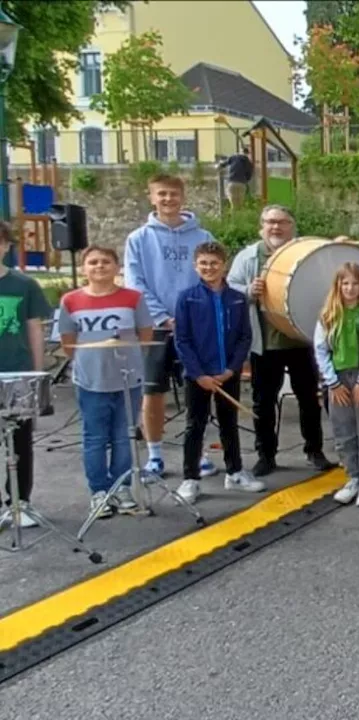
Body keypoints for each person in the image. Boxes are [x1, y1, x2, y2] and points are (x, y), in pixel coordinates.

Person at [227, 205, 334, 476]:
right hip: (265, 343)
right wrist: (248, 290)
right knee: (264, 402)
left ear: (292, 226)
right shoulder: (248, 256)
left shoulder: (306, 251)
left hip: (302, 341)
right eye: (270, 222)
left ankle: (314, 450)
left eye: (282, 222)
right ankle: (266, 455)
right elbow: (229, 288)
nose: (276, 227)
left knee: (309, 399)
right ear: (261, 226)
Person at [123, 173, 215, 479]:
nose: (168, 199)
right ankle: (155, 456)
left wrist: (191, 316)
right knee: (154, 392)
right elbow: (135, 284)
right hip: (156, 327)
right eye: (161, 194)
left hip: (195, 327)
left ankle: (199, 454)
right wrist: (163, 317)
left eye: (173, 194)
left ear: (182, 197)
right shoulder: (138, 239)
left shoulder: (204, 238)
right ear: (152, 197)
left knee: (197, 392)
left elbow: (211, 278)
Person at [58, 246, 153, 517]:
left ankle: (121, 489)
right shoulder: (71, 301)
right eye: (93, 262)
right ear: (84, 267)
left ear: (116, 266)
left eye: (106, 262)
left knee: (125, 436)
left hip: (127, 380)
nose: (100, 267)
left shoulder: (133, 298)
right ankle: (99, 492)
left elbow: (145, 334)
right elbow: (68, 343)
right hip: (91, 381)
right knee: (95, 438)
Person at [172, 242, 261, 503]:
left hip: (226, 374)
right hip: (197, 376)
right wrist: (199, 374)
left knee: (229, 424)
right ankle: (190, 478)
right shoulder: (187, 297)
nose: (209, 268)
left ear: (224, 265)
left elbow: (245, 336)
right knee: (194, 425)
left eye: (214, 263)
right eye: (203, 263)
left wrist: (231, 369)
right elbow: (183, 339)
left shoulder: (237, 298)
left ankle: (234, 472)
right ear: (195, 266)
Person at [314, 263, 359, 507]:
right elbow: (320, 350)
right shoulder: (329, 314)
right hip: (338, 378)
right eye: (345, 284)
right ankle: (352, 476)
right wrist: (332, 381)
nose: (350, 288)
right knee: (343, 430)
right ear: (338, 286)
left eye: (355, 283)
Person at [0, 222, 51, 530]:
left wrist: (37, 370)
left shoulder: (25, 284)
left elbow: (34, 329)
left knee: (19, 443)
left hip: (16, 373)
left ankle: (20, 502)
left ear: (6, 246)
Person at [218, 145, 253, 210]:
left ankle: (234, 219)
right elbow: (249, 174)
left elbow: (223, 164)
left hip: (232, 183)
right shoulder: (248, 161)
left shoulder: (234, 157)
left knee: (233, 206)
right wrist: (245, 180)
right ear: (248, 153)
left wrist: (219, 164)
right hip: (242, 184)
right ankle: (240, 218)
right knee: (240, 206)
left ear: (240, 151)